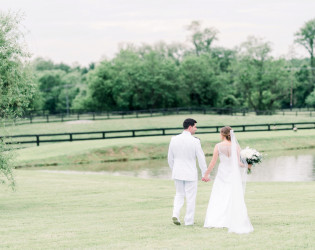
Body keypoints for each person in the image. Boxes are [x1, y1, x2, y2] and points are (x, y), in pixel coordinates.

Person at [202, 126, 254, 234]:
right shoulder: (235, 146)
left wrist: (206, 174)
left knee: (220, 194)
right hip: (233, 175)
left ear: (222, 134)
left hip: (222, 173)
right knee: (232, 194)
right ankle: (231, 218)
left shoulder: (218, 146)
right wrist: (248, 166)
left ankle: (218, 219)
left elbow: (213, 162)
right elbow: (239, 163)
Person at [168, 118, 208, 226]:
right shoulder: (195, 141)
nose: (196, 129)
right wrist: (205, 173)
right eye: (195, 126)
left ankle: (175, 214)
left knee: (179, 194)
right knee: (191, 197)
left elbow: (170, 158)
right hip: (190, 173)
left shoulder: (174, 139)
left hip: (177, 172)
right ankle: (188, 221)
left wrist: (174, 169)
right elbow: (201, 159)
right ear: (190, 127)